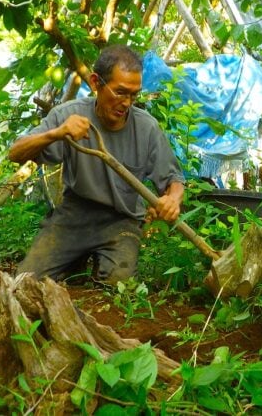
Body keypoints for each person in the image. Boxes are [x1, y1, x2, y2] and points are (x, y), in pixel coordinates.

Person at [9, 45, 185, 283]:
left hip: (122, 219)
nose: (126, 103)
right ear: (95, 83)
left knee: (118, 283)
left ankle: (98, 261)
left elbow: (174, 180)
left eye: (134, 95)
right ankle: (75, 259)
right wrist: (56, 134)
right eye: (120, 92)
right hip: (74, 214)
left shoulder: (146, 128)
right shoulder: (69, 115)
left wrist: (173, 199)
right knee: (25, 280)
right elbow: (15, 152)